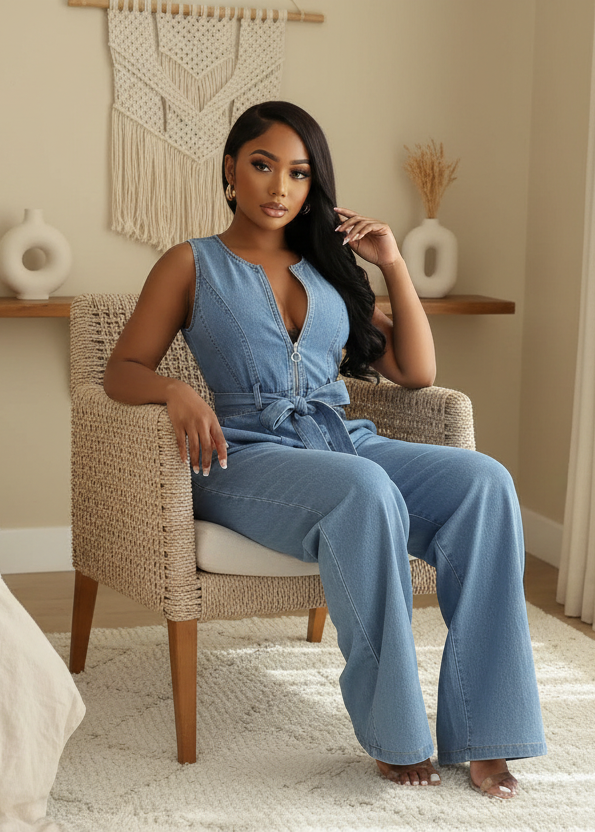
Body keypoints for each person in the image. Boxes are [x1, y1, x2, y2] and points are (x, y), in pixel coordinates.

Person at [103, 100, 547, 798]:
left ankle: (488, 732)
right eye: (262, 166)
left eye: (298, 173)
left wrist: (392, 262)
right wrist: (174, 392)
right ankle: (395, 732)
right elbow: (120, 369)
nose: (279, 187)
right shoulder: (191, 264)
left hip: (342, 439)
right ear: (230, 172)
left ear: (313, 187)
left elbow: (416, 372)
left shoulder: (327, 269)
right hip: (241, 457)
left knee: (484, 482)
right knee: (361, 489)